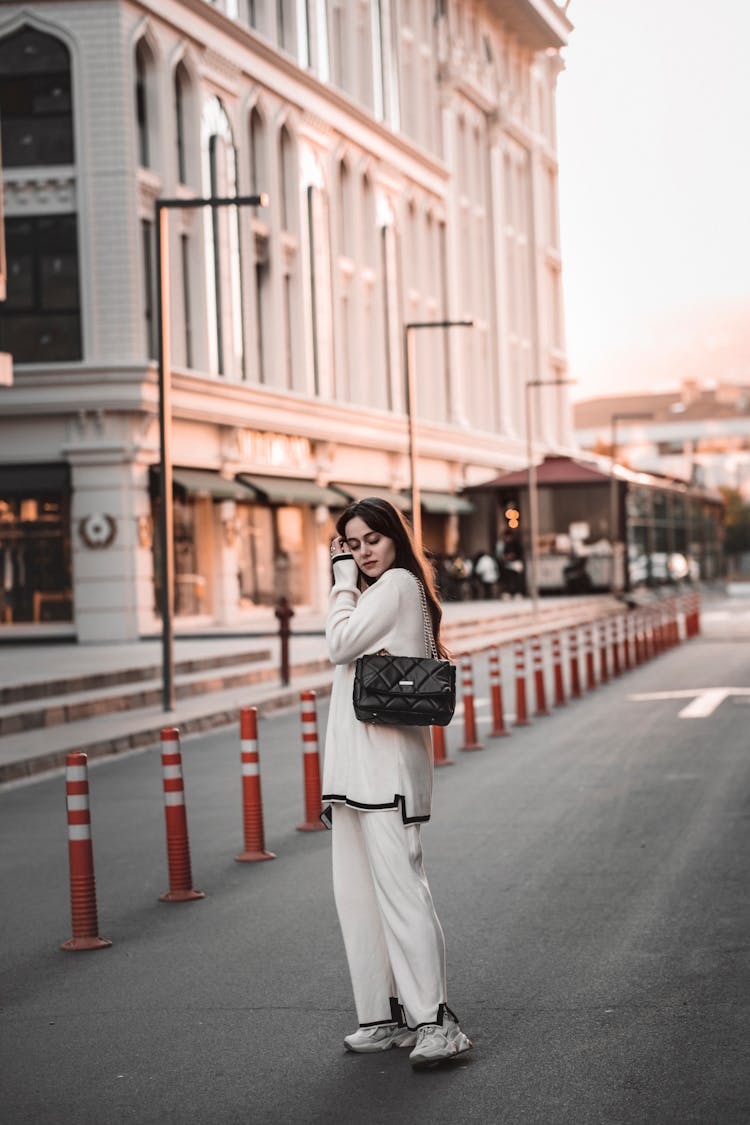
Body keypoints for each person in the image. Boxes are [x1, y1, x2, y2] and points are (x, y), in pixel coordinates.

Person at [323, 497, 472, 1069]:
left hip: (386, 775)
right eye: (350, 544)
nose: (361, 553)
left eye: (370, 541)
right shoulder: (374, 594)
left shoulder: (398, 587)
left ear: (394, 539)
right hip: (355, 775)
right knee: (358, 899)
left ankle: (436, 1022)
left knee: (402, 894)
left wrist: (339, 582)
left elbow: (338, 643)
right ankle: (383, 1016)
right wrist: (347, 586)